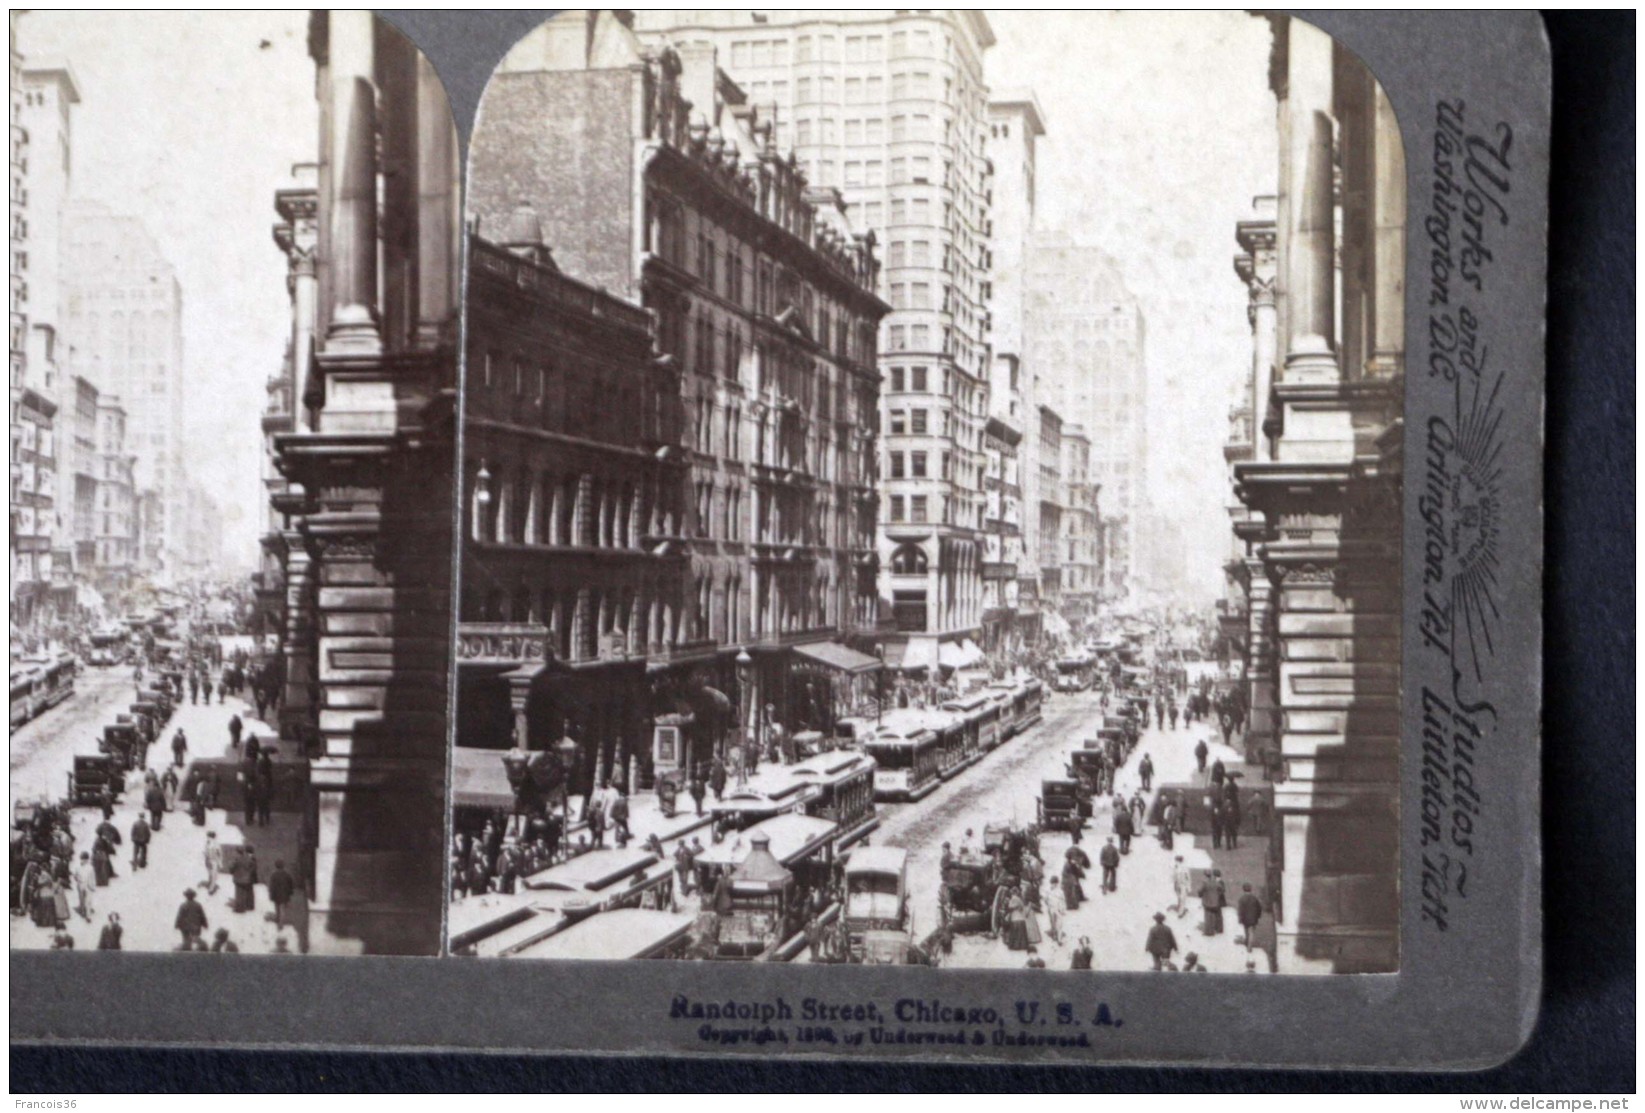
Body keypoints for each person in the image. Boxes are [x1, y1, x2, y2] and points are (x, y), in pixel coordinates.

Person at [268, 859, 296, 930]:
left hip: (276, 895)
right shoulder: (287, 875)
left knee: (277, 908)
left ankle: (278, 921)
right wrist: (290, 893)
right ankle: (281, 923)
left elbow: (272, 886)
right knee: (282, 909)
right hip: (284, 895)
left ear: (276, 866)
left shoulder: (273, 875)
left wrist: (271, 894)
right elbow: (291, 885)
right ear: (283, 866)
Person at [1237, 882, 1263, 951]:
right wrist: (1258, 916)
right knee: (1251, 932)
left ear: (1243, 890)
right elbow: (1259, 908)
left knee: (1246, 931)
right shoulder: (1254, 898)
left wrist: (1240, 918)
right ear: (1250, 889)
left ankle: (1247, 943)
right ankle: (1249, 945)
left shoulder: (1242, 899)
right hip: (1253, 918)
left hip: (1245, 918)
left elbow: (1240, 910)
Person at [1200, 870, 1227, 936]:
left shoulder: (1217, 882)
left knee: (1214, 916)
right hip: (1217, 900)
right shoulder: (1218, 882)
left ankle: (1214, 929)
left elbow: (1222, 890)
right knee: (1218, 915)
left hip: (1217, 900)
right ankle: (1218, 928)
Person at [232, 846, 258, 913]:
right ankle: (249, 905)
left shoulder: (248, 858)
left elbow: (253, 868)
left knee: (245, 892)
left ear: (246, 851)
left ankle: (246, 906)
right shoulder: (252, 858)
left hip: (248, 876)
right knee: (249, 892)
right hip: (249, 877)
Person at [73, 853, 96, 922]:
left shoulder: (90, 868)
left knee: (88, 900)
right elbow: (75, 876)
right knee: (82, 899)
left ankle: (88, 916)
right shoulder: (78, 867)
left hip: (88, 886)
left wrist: (92, 886)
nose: (83, 861)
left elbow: (92, 877)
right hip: (81, 885)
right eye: (82, 859)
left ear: (87, 860)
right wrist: (78, 880)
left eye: (84, 859)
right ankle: (83, 911)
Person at [1045, 875, 1066, 944]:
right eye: (1052, 883)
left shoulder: (1060, 891)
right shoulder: (1048, 890)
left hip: (1058, 909)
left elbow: (1063, 901)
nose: (1052, 885)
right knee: (1053, 922)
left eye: (1054, 883)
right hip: (1051, 908)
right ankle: (1054, 934)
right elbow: (1046, 900)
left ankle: (1059, 939)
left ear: (1056, 884)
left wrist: (1062, 910)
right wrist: (1048, 905)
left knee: (1059, 924)